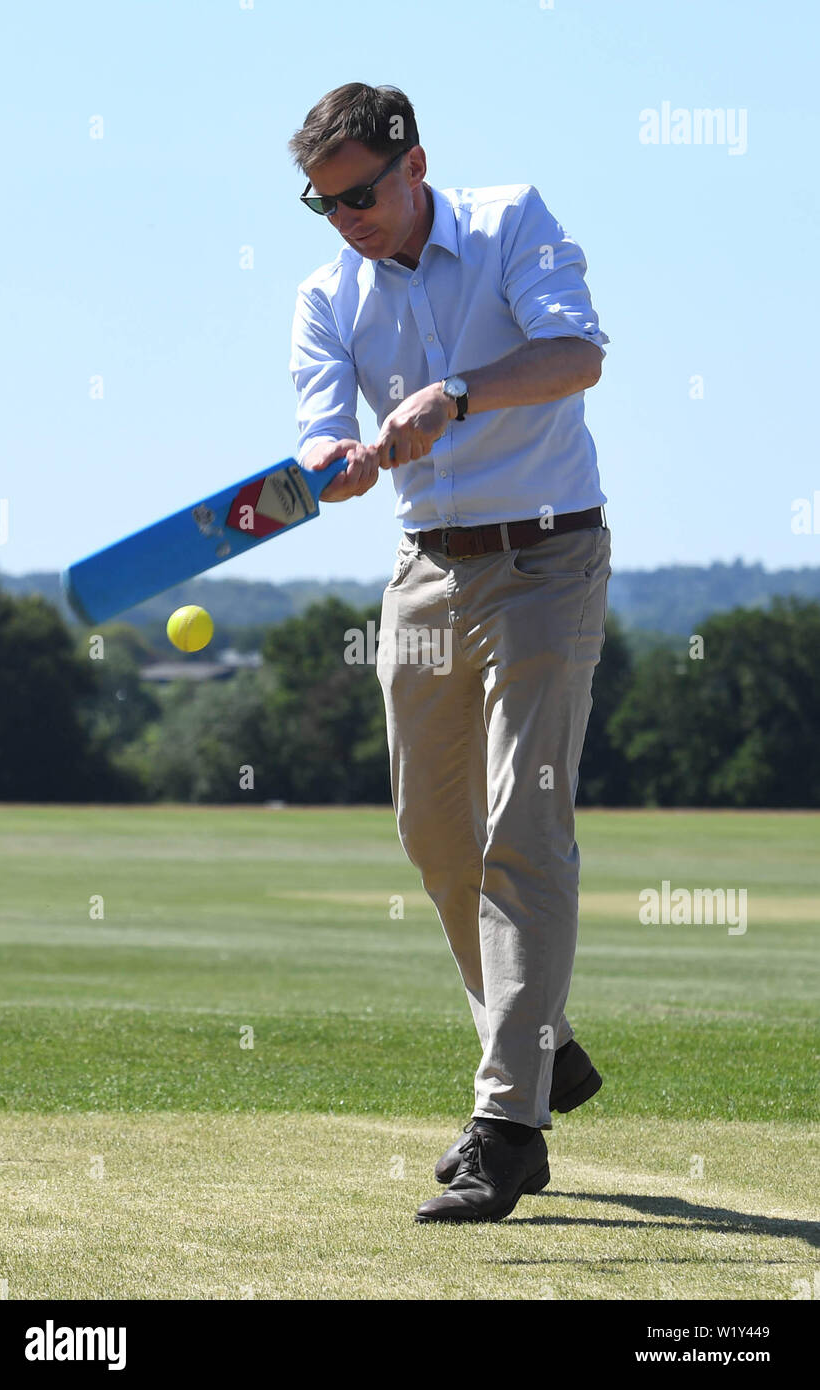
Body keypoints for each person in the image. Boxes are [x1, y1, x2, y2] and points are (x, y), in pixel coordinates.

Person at [288, 82, 611, 1223]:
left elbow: (575, 355)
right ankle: (543, 1047)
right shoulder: (326, 293)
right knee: (433, 834)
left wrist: (455, 394)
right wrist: (338, 456)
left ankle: (505, 1125)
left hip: (545, 559)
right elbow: (322, 429)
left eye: (361, 195)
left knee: (521, 833)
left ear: (413, 162)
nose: (347, 221)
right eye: (323, 205)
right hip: (423, 568)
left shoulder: (511, 217)